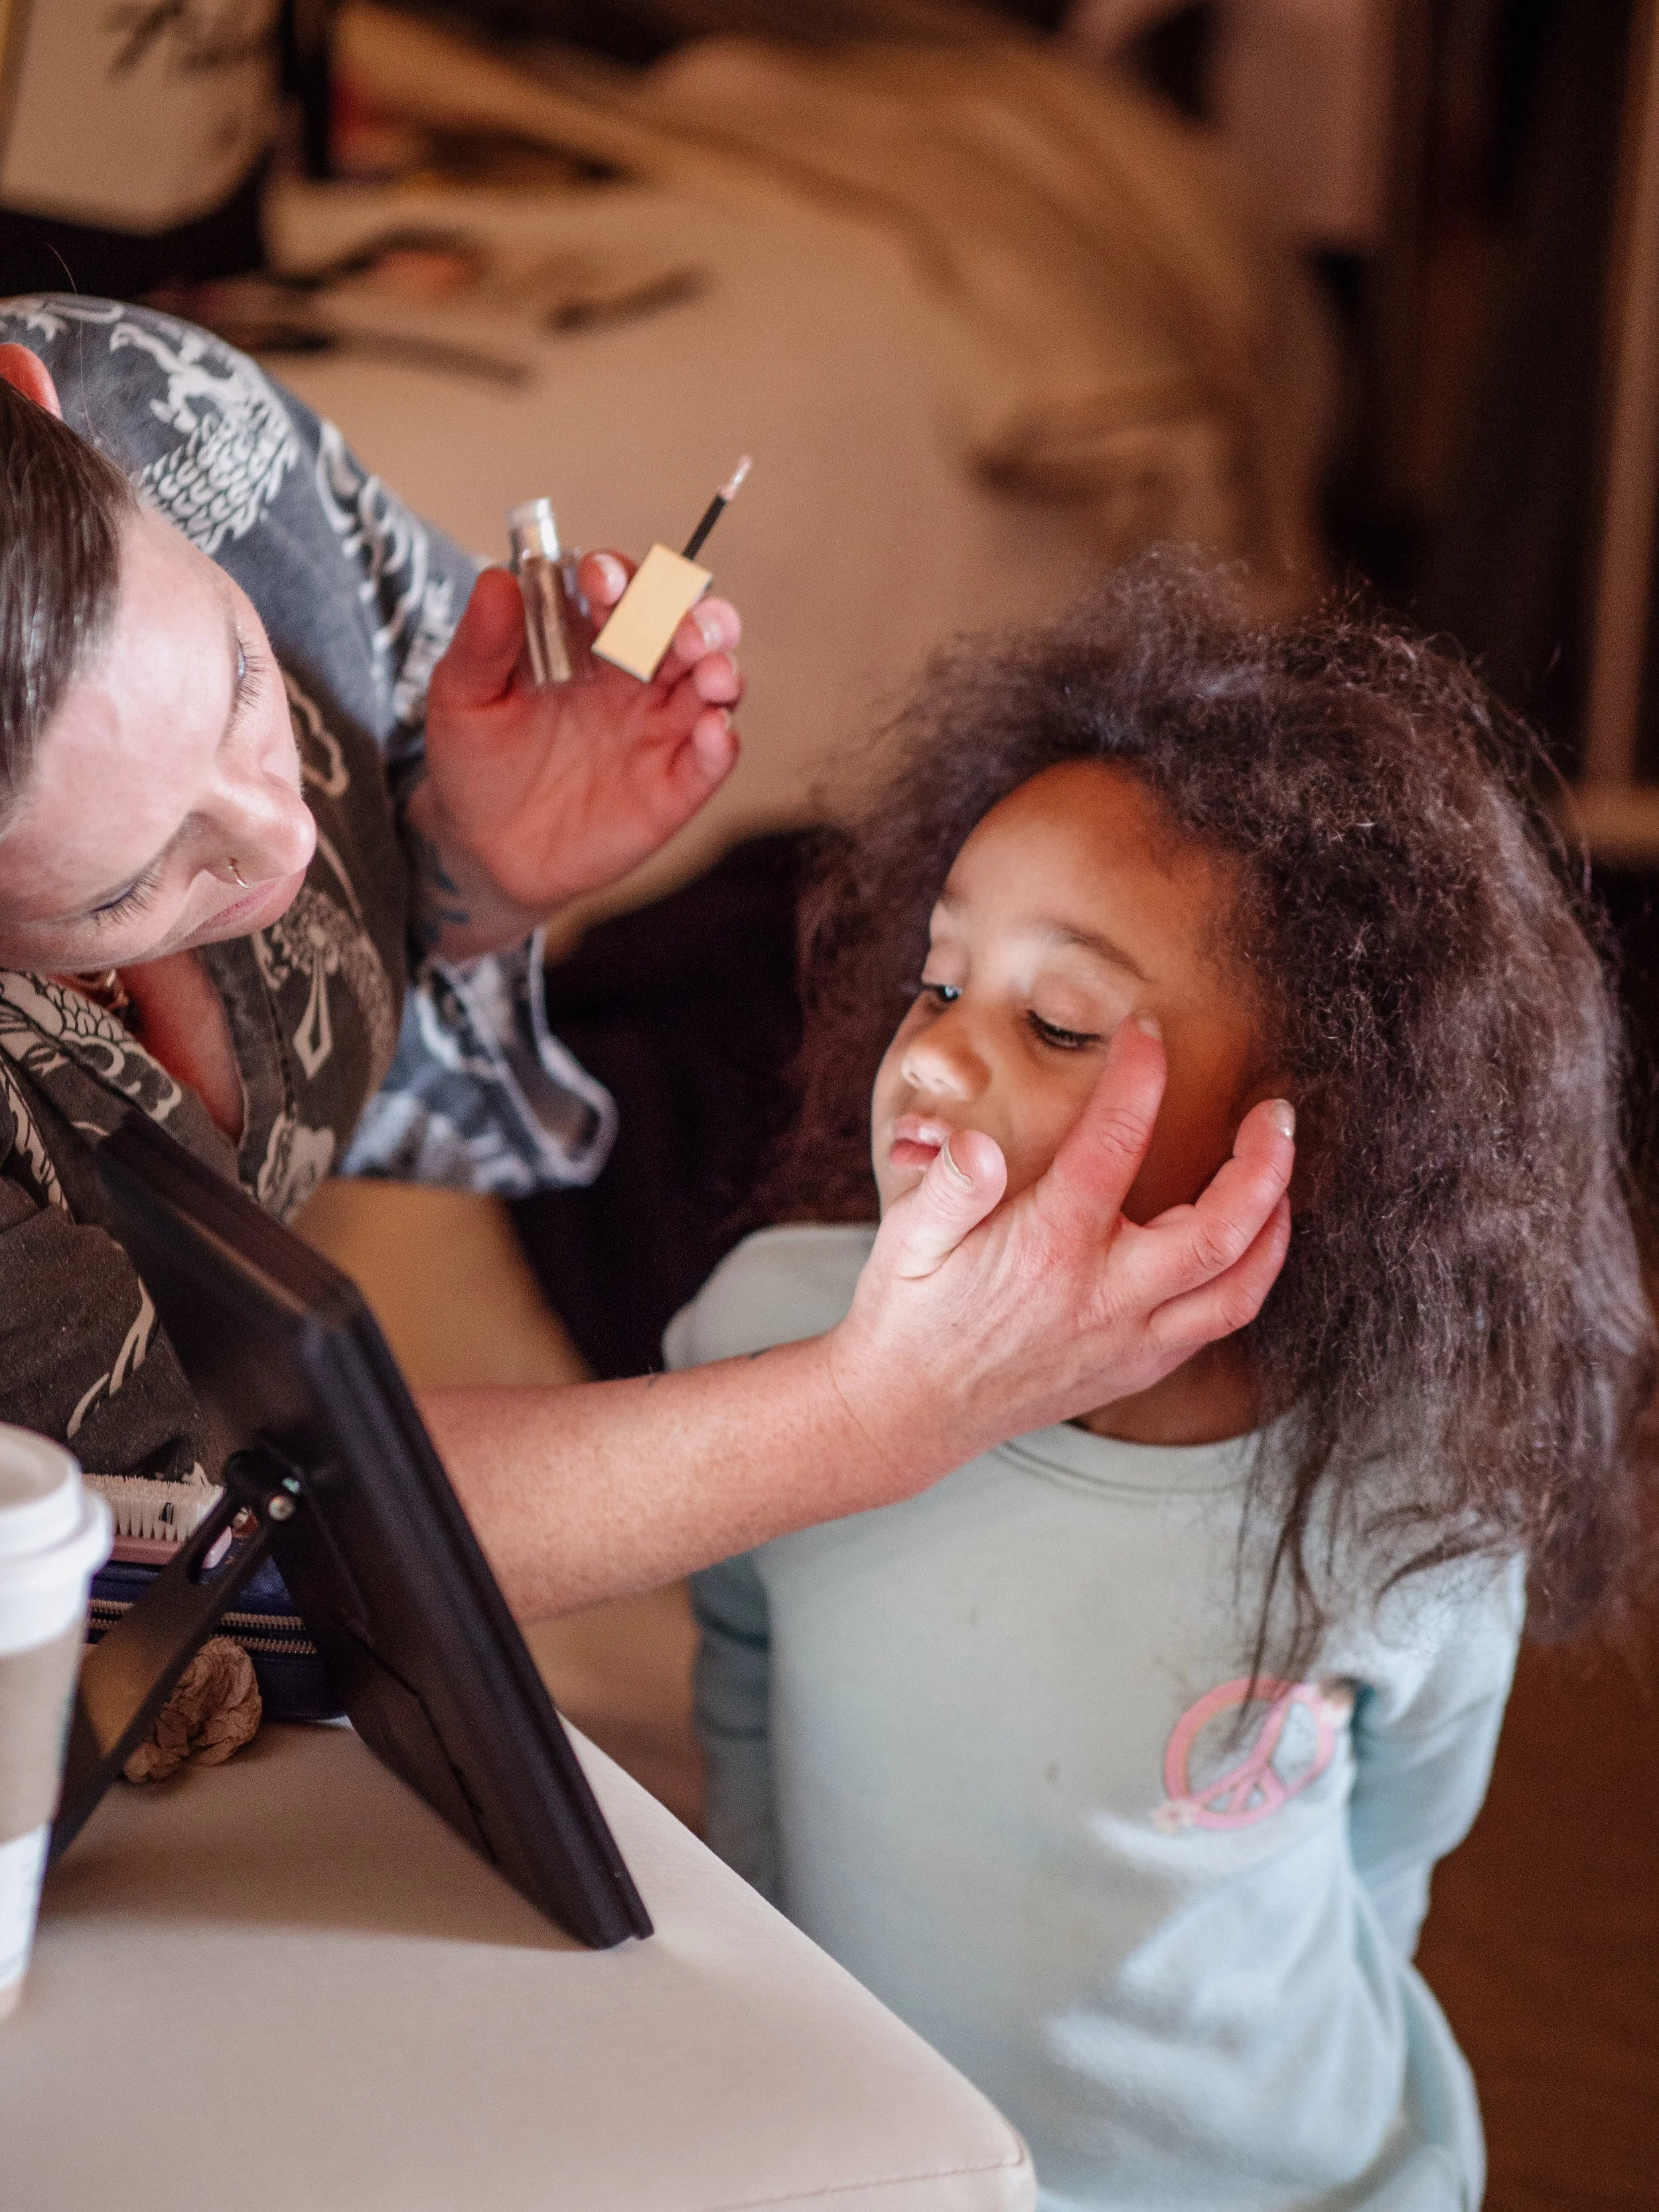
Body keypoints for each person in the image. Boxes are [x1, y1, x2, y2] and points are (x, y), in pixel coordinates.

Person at [0, 299, 1295, 1621]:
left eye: (236, 679)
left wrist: (467, 868)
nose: (282, 845)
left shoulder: (174, 424)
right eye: (129, 886)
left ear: (35, 402)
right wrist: (878, 1409)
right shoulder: (759, 1309)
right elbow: (227, 1512)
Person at [672, 559, 1654, 2209]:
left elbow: (1393, 1843)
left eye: (1055, 1021)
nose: (932, 1050)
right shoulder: (766, 1339)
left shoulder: (1403, 1489)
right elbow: (740, 1663)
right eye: (938, 976)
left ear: (1313, 1139)